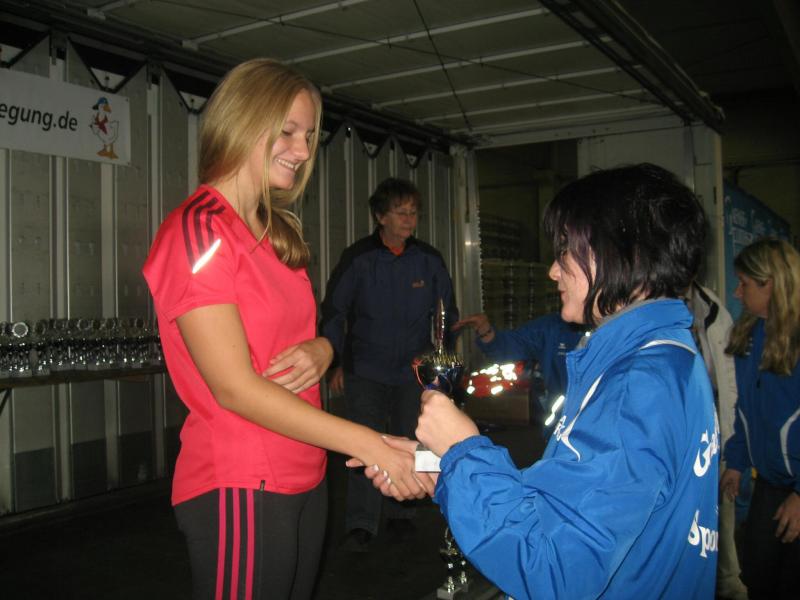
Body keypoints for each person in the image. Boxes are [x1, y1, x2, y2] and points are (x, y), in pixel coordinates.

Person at [142, 59, 430, 600]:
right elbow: (234, 388)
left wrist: (324, 347)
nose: (301, 151)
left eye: (309, 136)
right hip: (242, 477)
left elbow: (295, 333)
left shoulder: (275, 232)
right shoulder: (199, 231)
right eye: (288, 131)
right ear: (243, 121)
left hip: (305, 468)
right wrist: (370, 443)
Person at [368, 163, 720, 598]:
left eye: (566, 251)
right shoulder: (668, 358)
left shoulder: (637, 384)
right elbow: (575, 498)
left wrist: (463, 449)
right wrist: (446, 468)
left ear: (623, 254)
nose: (553, 270)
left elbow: (557, 569)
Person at [320, 177, 458, 550]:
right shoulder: (358, 258)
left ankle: (403, 513)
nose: (409, 219)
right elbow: (334, 312)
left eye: (413, 212)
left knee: (411, 439)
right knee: (364, 442)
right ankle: (361, 522)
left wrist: (440, 370)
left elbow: (446, 314)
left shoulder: (428, 259)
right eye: (401, 212)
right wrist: (334, 362)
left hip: (413, 372)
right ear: (381, 217)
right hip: (365, 369)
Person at [720, 237, 800, 599]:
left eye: (744, 283)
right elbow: (746, 410)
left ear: (771, 284)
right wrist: (737, 461)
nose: (738, 293)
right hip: (769, 485)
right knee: (758, 574)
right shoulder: (750, 336)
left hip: (796, 490)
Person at [687, 282, 748, 599]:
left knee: (719, 521)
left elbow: (729, 385)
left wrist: (730, 446)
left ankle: (728, 584)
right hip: (683, 434)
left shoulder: (712, 312)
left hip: (711, 431)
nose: (738, 292)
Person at [452, 312, 586, 429]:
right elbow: (508, 347)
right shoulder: (552, 327)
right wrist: (484, 329)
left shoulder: (597, 336)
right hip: (558, 431)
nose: (560, 290)